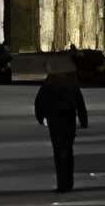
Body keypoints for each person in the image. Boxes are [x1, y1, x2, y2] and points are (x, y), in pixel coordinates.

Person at [33, 64, 88, 192]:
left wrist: (40, 117)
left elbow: (39, 101)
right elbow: (80, 102)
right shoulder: (71, 83)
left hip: (55, 119)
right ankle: (69, 182)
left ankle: (61, 183)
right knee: (68, 150)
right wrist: (83, 120)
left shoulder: (49, 82)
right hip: (69, 117)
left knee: (58, 150)